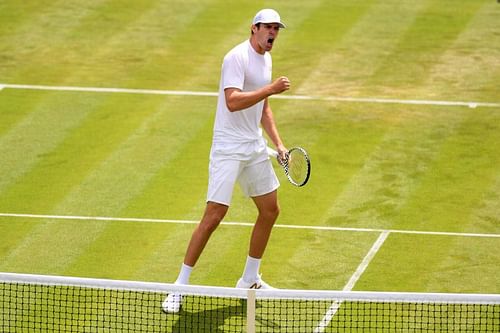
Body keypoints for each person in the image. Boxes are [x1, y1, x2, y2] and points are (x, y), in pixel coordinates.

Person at [162, 8, 290, 313]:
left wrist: (279, 144)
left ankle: (249, 279)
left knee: (270, 210)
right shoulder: (236, 57)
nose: (273, 33)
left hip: (253, 146)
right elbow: (232, 102)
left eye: (277, 28)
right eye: (268, 28)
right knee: (214, 215)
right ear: (254, 28)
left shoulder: (266, 59)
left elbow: (264, 109)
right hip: (228, 147)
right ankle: (178, 288)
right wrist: (269, 89)